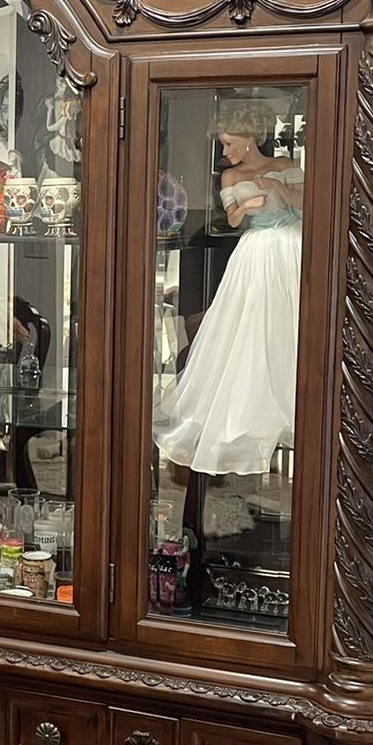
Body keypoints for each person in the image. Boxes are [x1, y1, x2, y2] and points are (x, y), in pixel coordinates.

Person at [156, 98, 302, 477]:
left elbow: (306, 205)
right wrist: (248, 206)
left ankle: (296, 401)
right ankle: (251, 404)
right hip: (257, 249)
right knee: (251, 322)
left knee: (293, 319)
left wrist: (279, 189)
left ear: (249, 138)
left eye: (229, 143)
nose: (225, 151)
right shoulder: (231, 177)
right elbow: (234, 219)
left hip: (292, 245)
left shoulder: (285, 167)